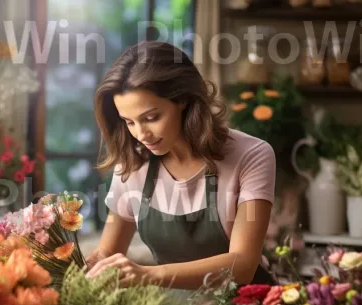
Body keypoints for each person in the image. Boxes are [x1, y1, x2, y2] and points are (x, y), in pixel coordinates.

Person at [85, 41, 277, 289]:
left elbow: (242, 266)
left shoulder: (251, 155)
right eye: (129, 122)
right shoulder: (133, 164)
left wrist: (149, 275)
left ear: (183, 99)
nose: (141, 134)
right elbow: (106, 255)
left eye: (151, 117)